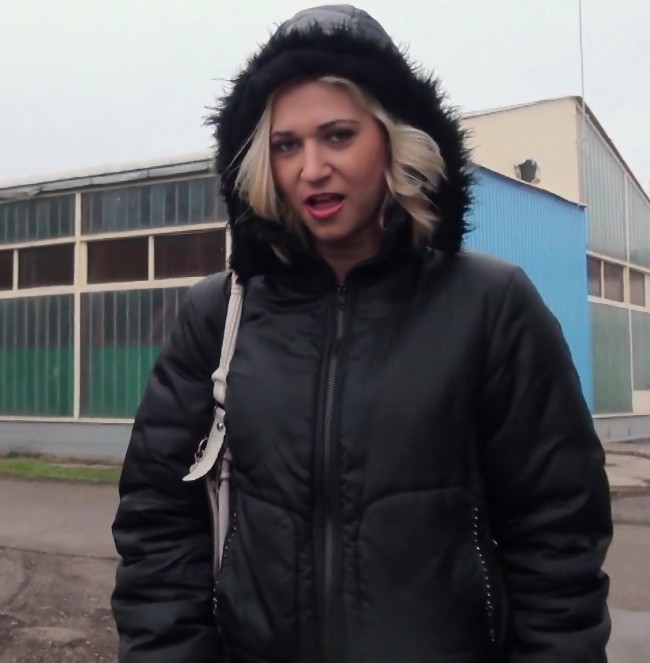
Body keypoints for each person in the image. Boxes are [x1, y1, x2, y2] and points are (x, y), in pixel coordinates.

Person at [111, 5, 613, 662]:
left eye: (338, 135)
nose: (311, 167)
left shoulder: (490, 305)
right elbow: (157, 522)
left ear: (394, 138)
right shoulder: (219, 314)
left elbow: (558, 536)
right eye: (286, 145)